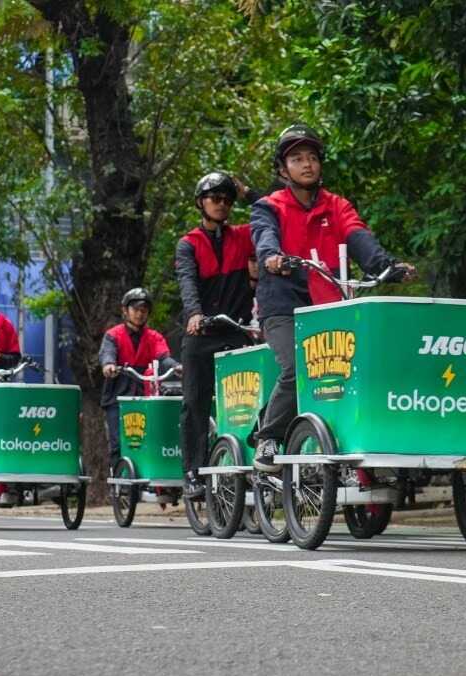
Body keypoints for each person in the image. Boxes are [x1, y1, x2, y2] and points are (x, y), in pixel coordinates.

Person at [250, 123, 415, 472]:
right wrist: (271, 257)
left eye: (312, 157)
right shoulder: (269, 206)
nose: (307, 164)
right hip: (282, 303)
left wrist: (387, 267)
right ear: (283, 169)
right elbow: (264, 237)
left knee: (358, 368)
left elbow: (360, 238)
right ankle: (268, 436)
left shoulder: (336, 206)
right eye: (297, 158)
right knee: (297, 367)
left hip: (328, 304)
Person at [176, 171, 256, 498]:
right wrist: (195, 314)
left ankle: (247, 464)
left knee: (249, 399)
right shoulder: (188, 244)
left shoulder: (242, 236)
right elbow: (187, 282)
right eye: (215, 199)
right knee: (195, 402)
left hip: (235, 333)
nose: (222, 204)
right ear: (201, 203)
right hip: (202, 333)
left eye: (227, 199)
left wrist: (248, 192)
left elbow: (274, 213)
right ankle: (192, 472)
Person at [99, 288, 181, 471]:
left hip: (144, 393)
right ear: (125, 311)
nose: (139, 314)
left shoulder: (154, 337)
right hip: (117, 395)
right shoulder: (113, 335)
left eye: (143, 310)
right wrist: (109, 365)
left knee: (149, 439)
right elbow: (107, 354)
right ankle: (119, 481)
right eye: (135, 309)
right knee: (117, 442)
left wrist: (176, 367)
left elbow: (164, 357)